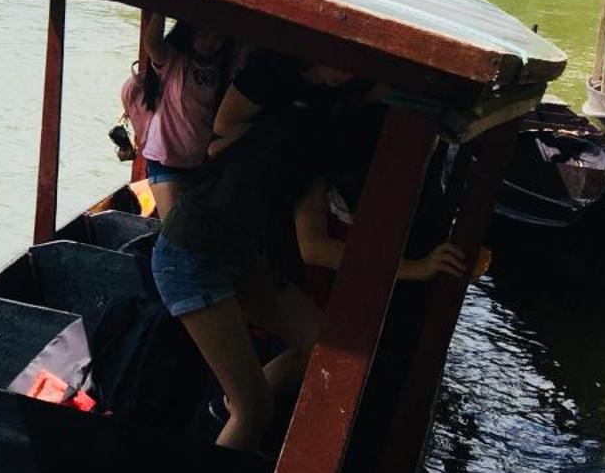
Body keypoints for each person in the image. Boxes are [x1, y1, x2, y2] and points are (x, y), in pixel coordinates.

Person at [151, 51, 464, 452]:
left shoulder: (308, 130)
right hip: (190, 257)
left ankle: (226, 407)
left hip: (237, 253)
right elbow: (314, 248)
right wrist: (410, 268)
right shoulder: (293, 125)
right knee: (256, 412)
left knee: (320, 341)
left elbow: (384, 89)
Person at [137, 13, 233, 217]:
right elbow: (152, 45)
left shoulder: (222, 67)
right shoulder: (175, 60)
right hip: (166, 159)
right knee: (173, 232)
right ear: (190, 31)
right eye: (204, 34)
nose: (210, 42)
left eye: (218, 37)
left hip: (198, 161)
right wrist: (160, 8)